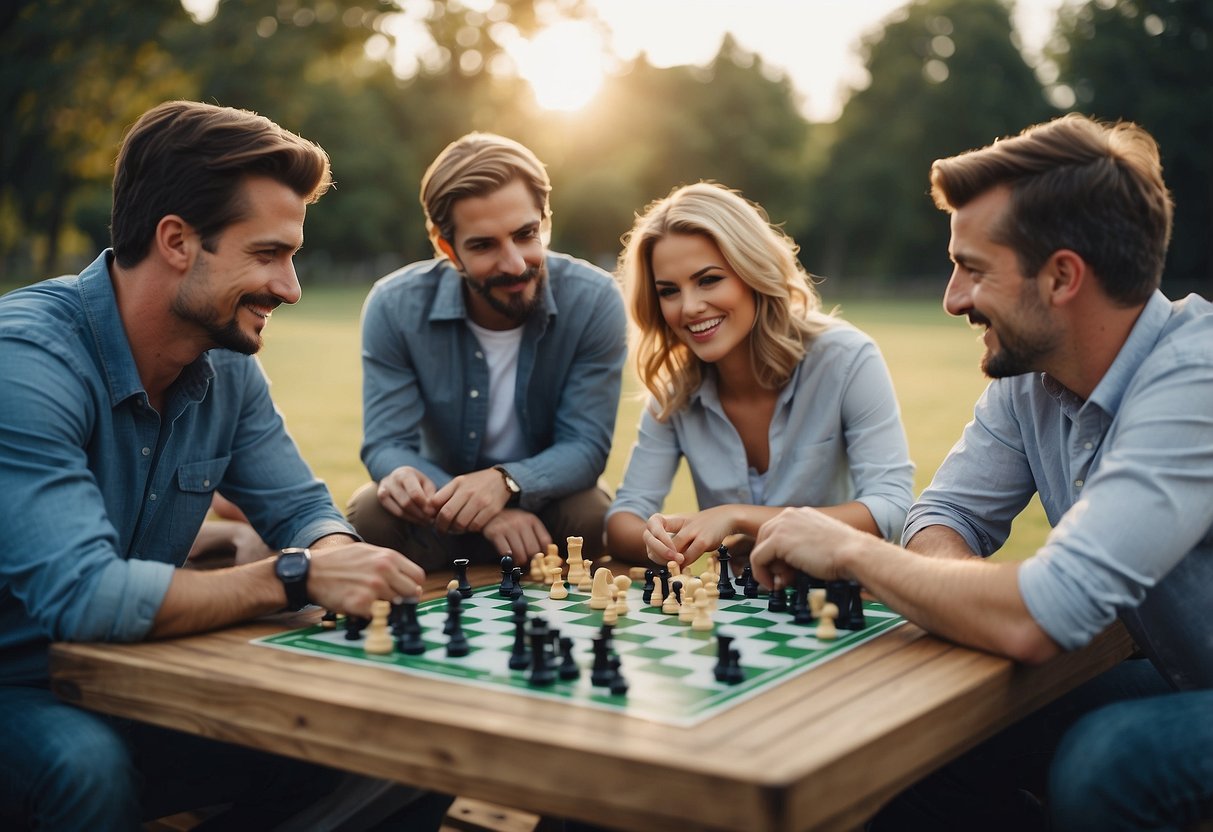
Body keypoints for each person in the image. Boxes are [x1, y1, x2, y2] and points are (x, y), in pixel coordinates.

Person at [750, 114, 1213, 831]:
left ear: (1061, 276)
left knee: (1108, 760)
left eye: (972, 268)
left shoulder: (1195, 382)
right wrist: (965, 594)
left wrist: (847, 548)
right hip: (1185, 677)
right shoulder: (1029, 375)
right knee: (919, 733)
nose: (951, 299)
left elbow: (1040, 617)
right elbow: (942, 520)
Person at [0, 100, 450, 830]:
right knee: (85, 768)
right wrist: (294, 575)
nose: (291, 287)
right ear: (177, 240)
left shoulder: (225, 366)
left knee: (396, 742)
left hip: (136, 677)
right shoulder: (26, 362)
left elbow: (301, 507)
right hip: (20, 687)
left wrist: (336, 556)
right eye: (268, 254)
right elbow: (84, 598)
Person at [346, 133, 627, 573]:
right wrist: (482, 508)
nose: (514, 263)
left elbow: (585, 447)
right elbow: (386, 444)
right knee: (371, 513)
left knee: (590, 514)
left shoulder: (595, 300)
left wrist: (506, 483)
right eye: (484, 245)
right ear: (446, 247)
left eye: (526, 234)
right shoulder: (394, 306)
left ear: (545, 222)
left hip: (545, 508)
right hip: (441, 509)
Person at [605, 182, 915, 567]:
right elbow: (623, 519)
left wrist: (738, 517)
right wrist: (653, 538)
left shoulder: (847, 359)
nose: (689, 307)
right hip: (739, 609)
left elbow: (892, 507)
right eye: (669, 291)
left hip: (844, 599)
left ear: (752, 271)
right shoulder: (675, 391)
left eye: (709, 280)